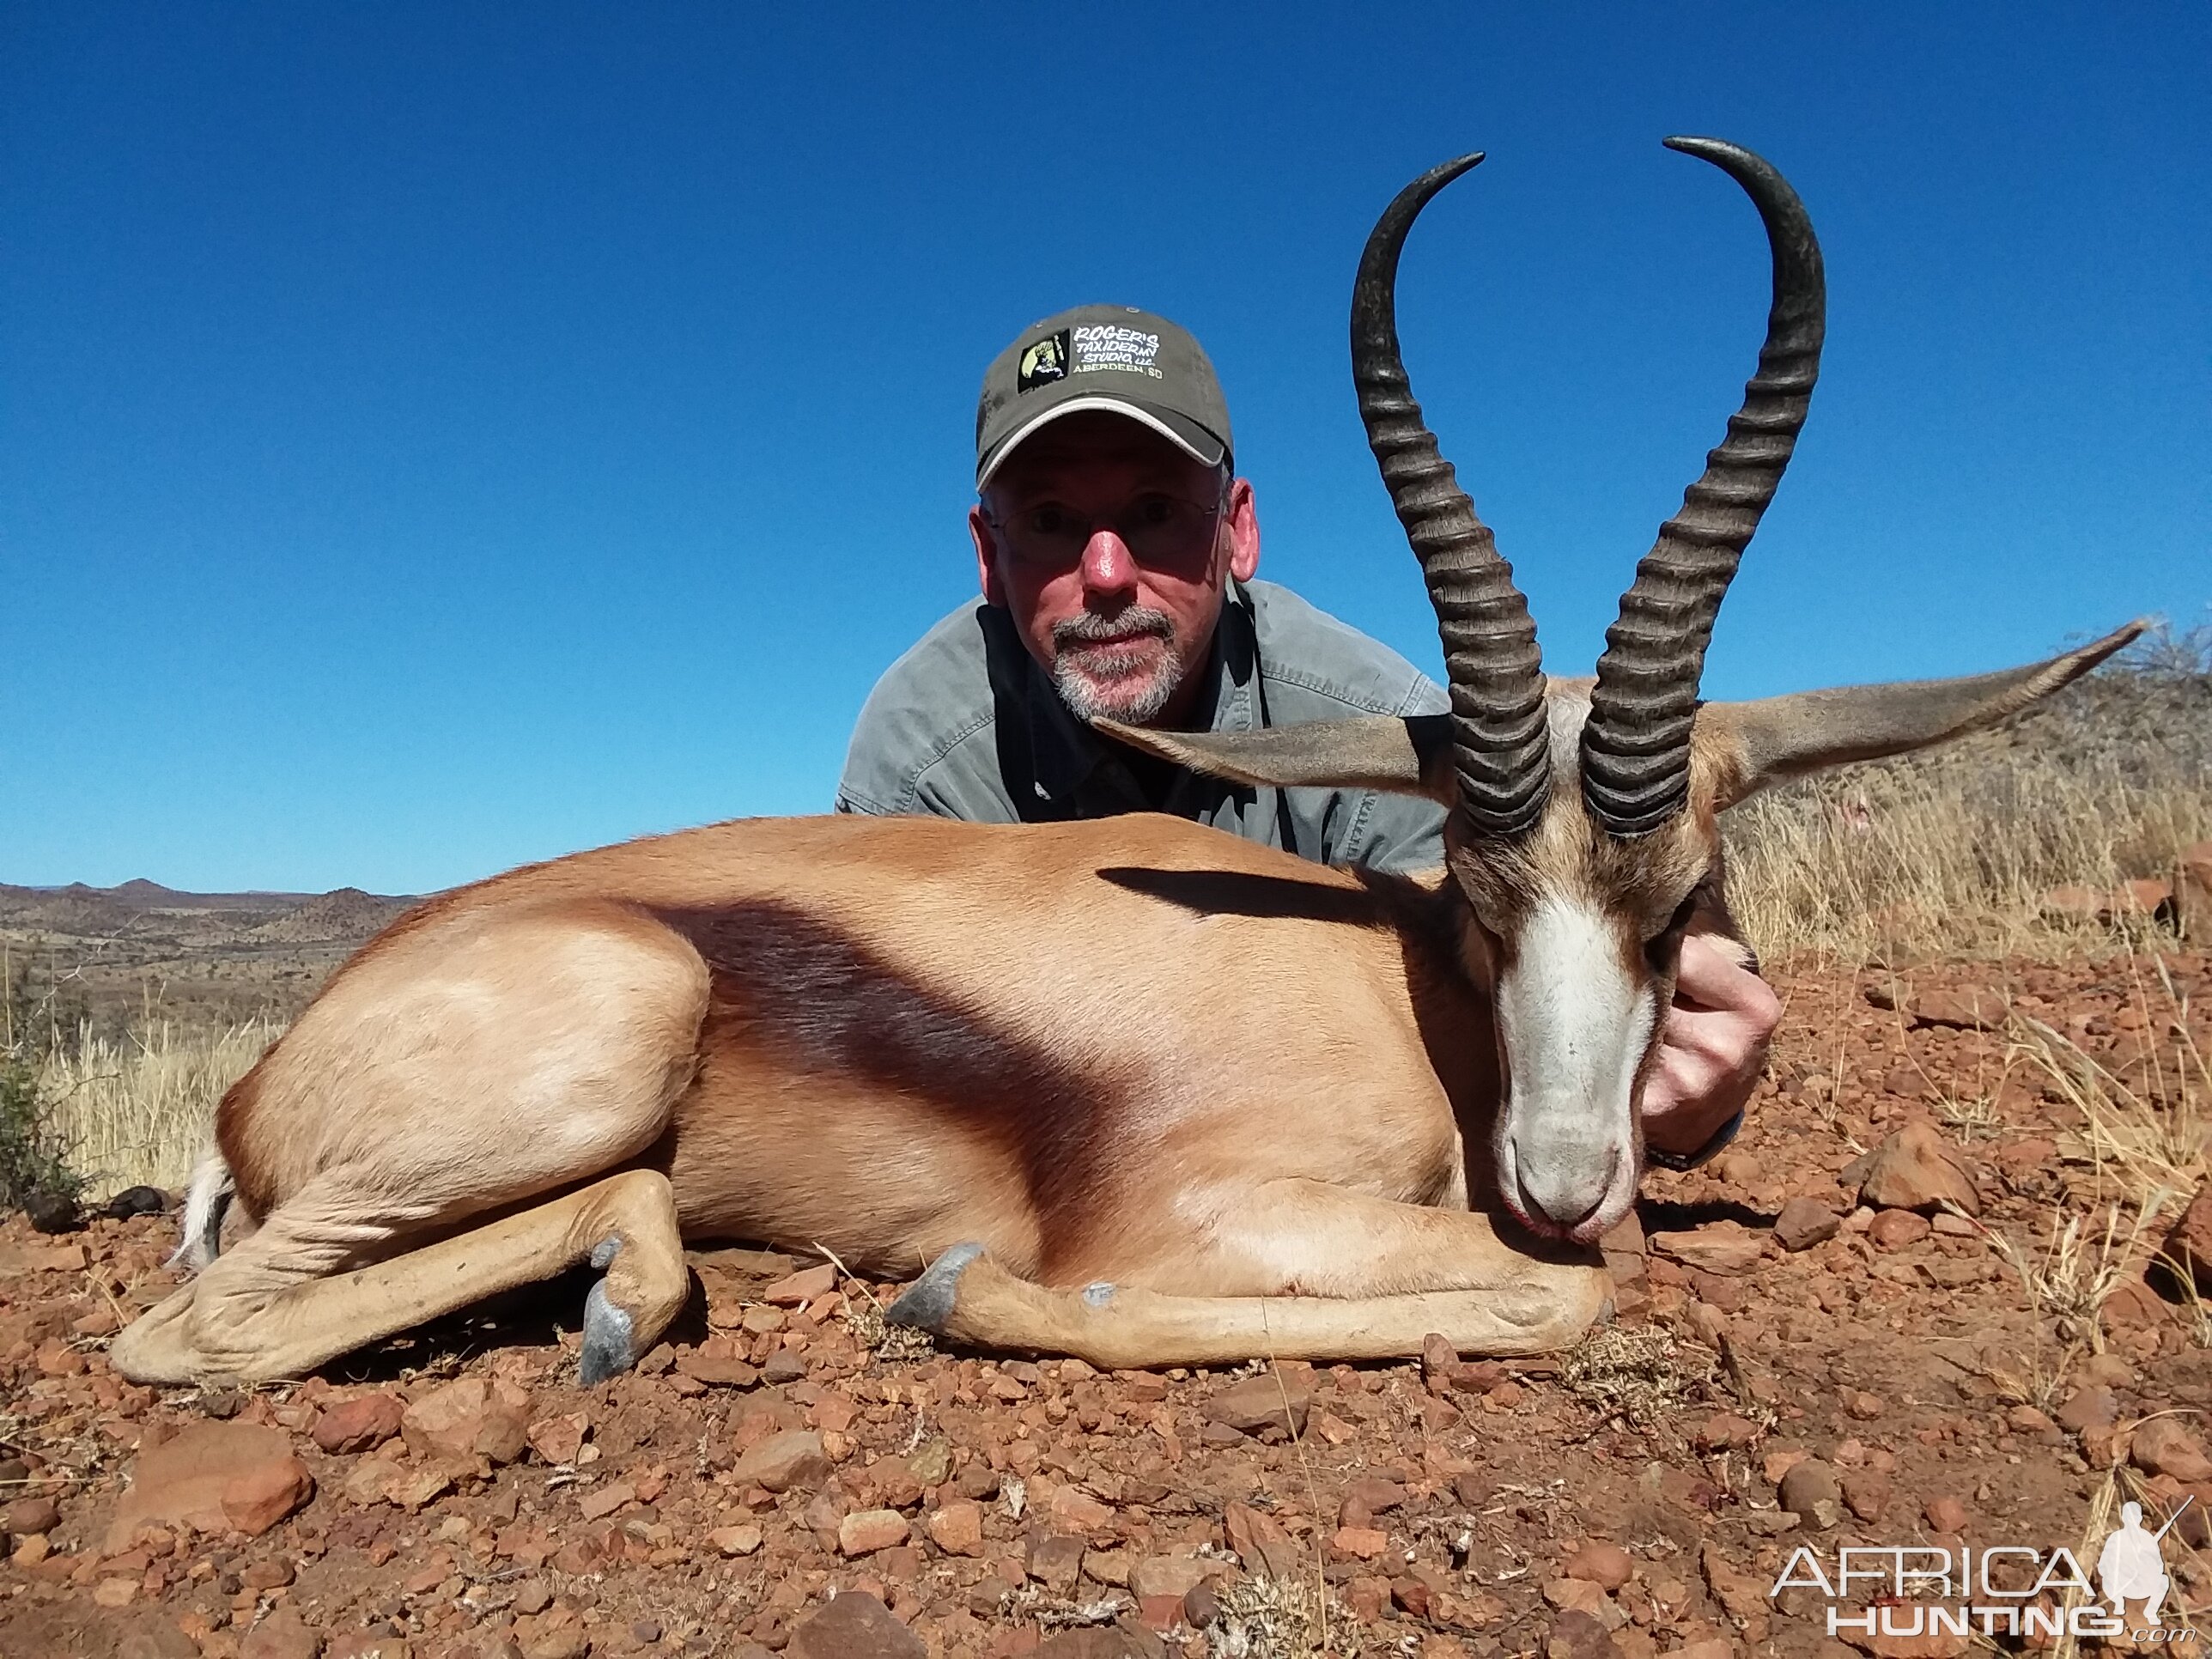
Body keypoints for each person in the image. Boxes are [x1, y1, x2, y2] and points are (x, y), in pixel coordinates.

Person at [837, 304, 1777, 1170]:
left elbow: (1509, 1017)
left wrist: (1688, 1098)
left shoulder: (1376, 722)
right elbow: (867, 1071)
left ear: (1237, 531)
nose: (1108, 571)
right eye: (1047, 522)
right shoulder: (920, 759)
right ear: (986, 555)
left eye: (1157, 512)